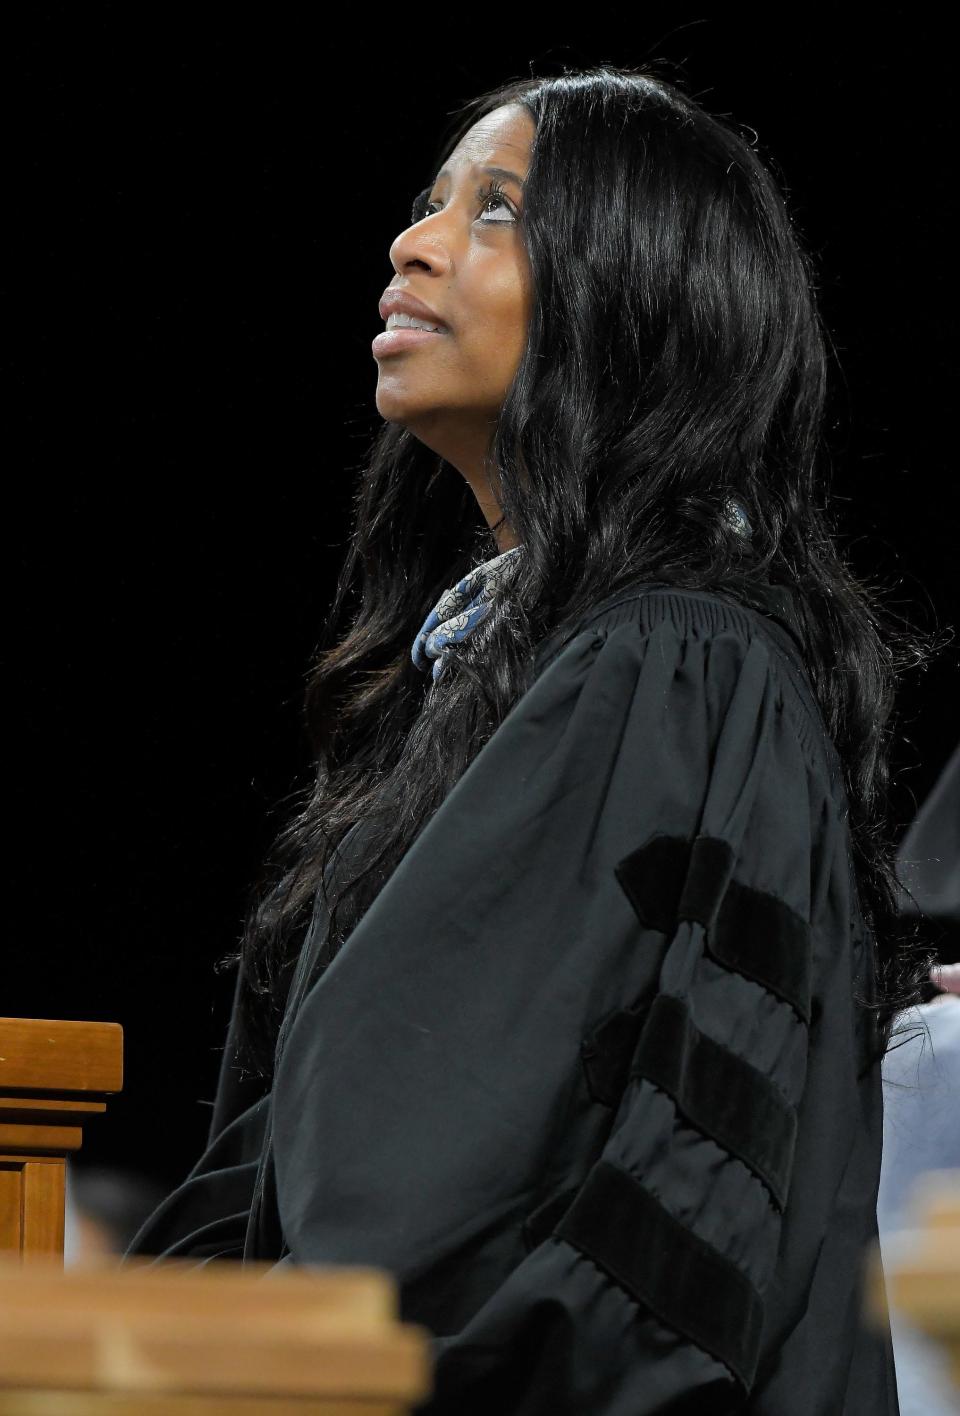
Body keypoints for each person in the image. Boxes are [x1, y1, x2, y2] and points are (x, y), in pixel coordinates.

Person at [123, 64, 937, 1414]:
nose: (414, 241)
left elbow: (442, 1172)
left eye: (498, 211)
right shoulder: (512, 674)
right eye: (430, 201)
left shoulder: (675, 665)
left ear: (637, 299)